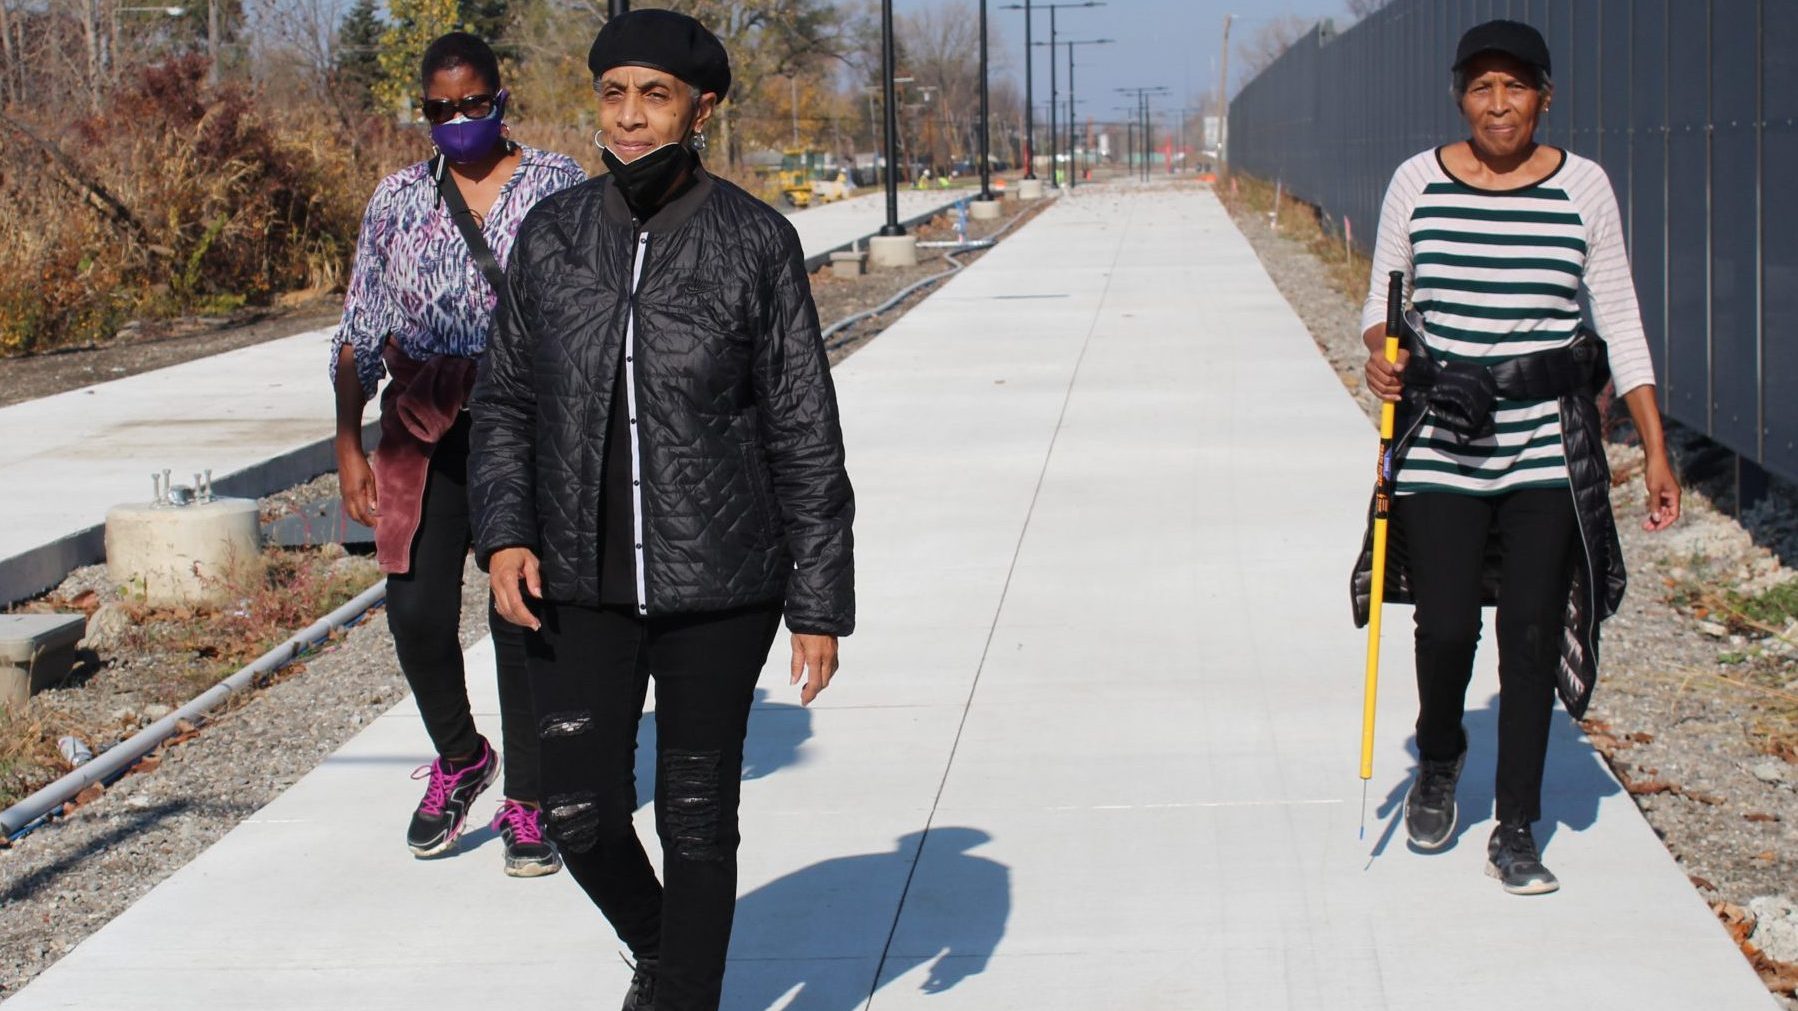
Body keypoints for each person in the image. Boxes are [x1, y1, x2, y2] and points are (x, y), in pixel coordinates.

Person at [467, 9, 854, 1010]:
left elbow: (803, 429)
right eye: (613, 93)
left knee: (694, 816)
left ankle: (680, 994)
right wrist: (503, 532)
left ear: (700, 108)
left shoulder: (753, 242)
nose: (630, 118)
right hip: (580, 577)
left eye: (655, 95)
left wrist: (818, 600)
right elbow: (505, 401)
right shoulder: (554, 237)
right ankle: (670, 960)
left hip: (719, 583)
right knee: (577, 809)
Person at [1351, 19, 1680, 895]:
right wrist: (1385, 354)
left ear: (1545, 95)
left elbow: (1620, 317)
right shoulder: (1416, 181)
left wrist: (1654, 448)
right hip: (1442, 440)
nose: (1499, 105)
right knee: (1449, 623)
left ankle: (1517, 824)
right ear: (1461, 97)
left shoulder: (1586, 189)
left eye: (1516, 87)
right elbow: (1383, 304)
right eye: (1481, 88)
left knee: (1532, 632)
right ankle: (1441, 759)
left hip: (1543, 439)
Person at [331, 32, 585, 877]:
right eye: (441, 109)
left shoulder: (557, 185)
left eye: (474, 103)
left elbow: (589, 314)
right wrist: (347, 442)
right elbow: (360, 329)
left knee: (520, 607)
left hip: (526, 418)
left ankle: (531, 797)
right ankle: (462, 755)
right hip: (423, 422)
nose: (460, 120)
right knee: (414, 610)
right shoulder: (397, 199)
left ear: (501, 99)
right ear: (424, 112)